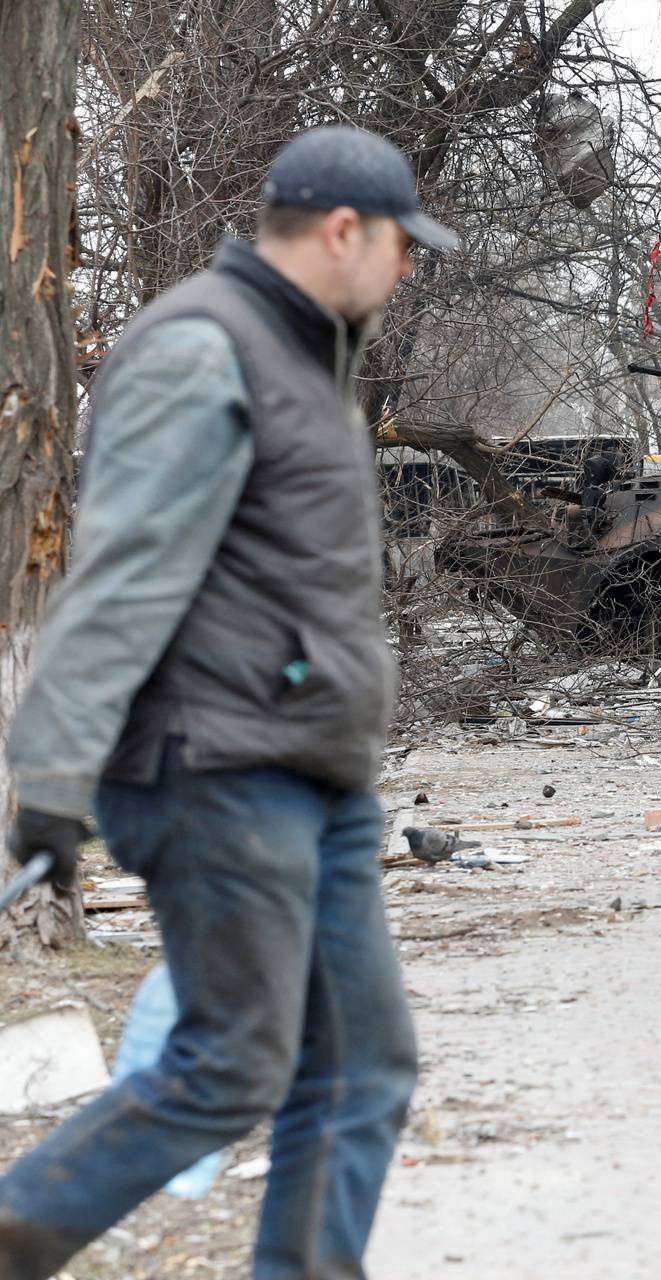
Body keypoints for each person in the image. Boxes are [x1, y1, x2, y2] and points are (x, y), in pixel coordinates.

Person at [0, 125, 457, 1280]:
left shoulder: (304, 357)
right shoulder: (201, 346)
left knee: (360, 1066)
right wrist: (50, 778)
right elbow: (122, 571)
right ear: (345, 231)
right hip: (215, 765)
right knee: (233, 1061)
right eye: (404, 246)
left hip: (313, 769)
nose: (409, 272)